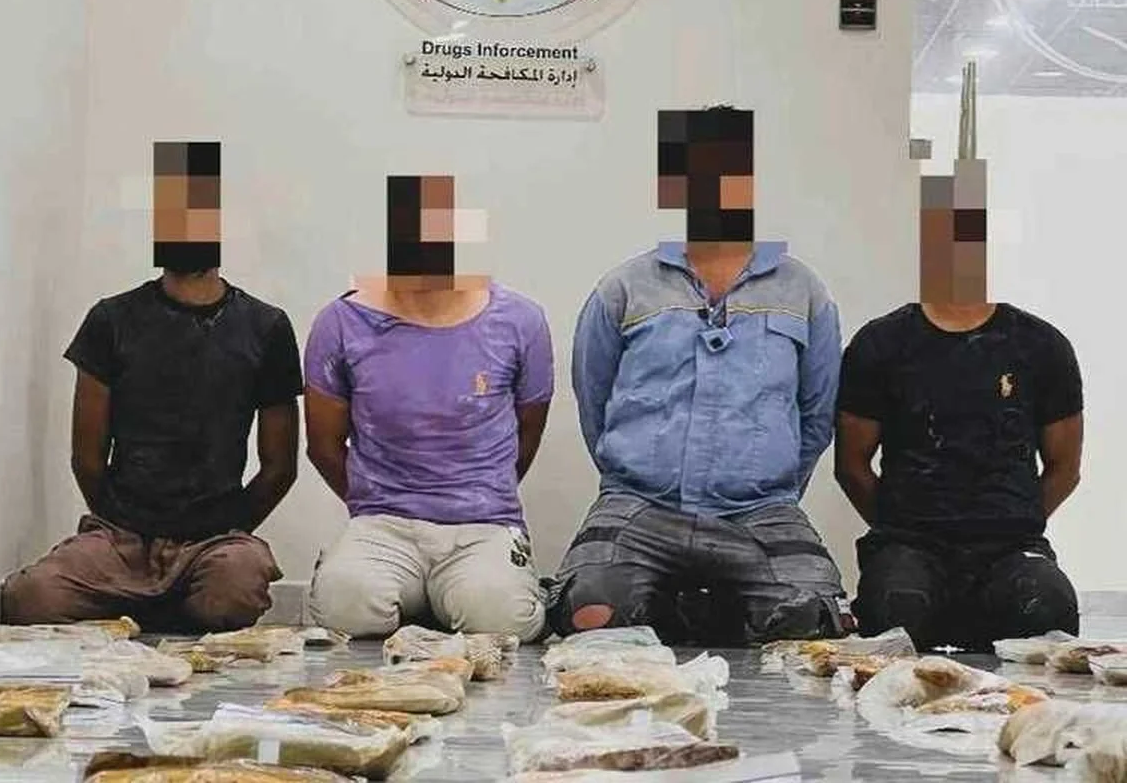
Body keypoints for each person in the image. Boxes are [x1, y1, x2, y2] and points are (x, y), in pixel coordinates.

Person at [548, 106, 848, 646]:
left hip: (760, 512)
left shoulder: (804, 291)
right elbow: (594, 398)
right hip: (639, 507)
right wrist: (636, 470)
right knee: (588, 613)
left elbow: (817, 411)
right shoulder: (624, 287)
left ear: (750, 182)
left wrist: (769, 480)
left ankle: (703, 610)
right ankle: (677, 607)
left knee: (811, 623)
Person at [1, 142, 302, 632]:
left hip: (213, 541)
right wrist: (125, 528)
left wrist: (228, 528)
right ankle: (153, 604)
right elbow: (86, 458)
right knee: (31, 597)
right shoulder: (111, 320)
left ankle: (149, 608)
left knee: (238, 585)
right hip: (121, 539)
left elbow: (279, 467)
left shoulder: (266, 327)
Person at [834, 65, 1083, 649]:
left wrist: (1014, 518)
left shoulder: (1041, 346)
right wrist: (900, 523)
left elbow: (1065, 468)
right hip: (909, 542)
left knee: (1046, 610)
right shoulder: (881, 344)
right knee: (895, 610)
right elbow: (852, 464)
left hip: (1011, 546)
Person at [304, 175, 552, 640]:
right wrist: (373, 499)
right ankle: (403, 590)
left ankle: (461, 594)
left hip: (483, 522)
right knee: (344, 606)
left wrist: (478, 490)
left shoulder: (521, 321)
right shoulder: (341, 322)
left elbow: (528, 429)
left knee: (502, 619)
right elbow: (322, 444)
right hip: (383, 522)